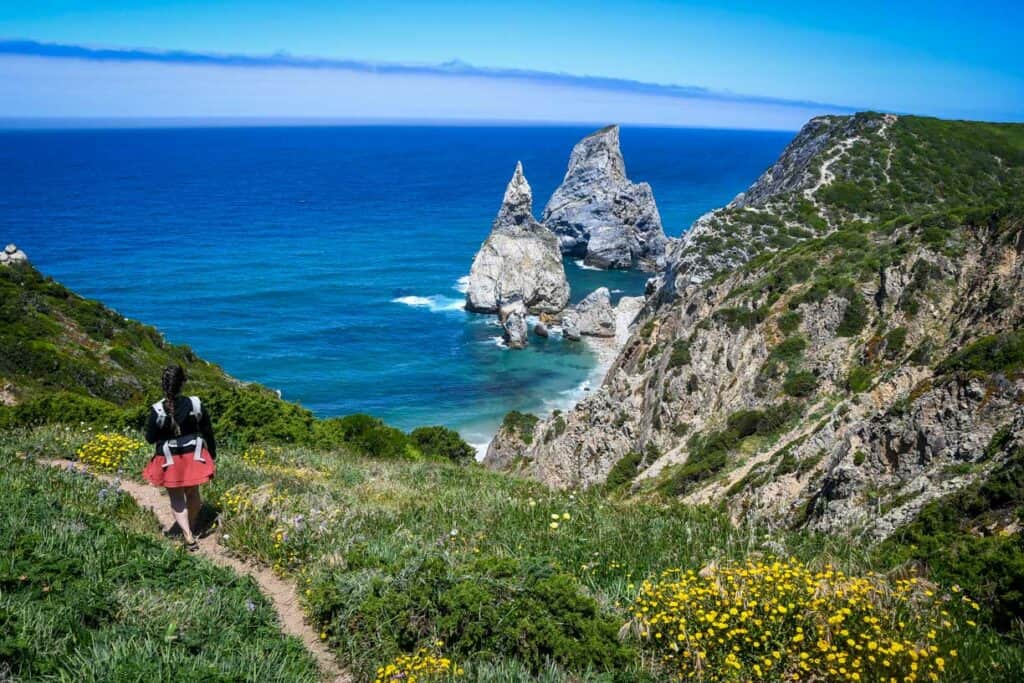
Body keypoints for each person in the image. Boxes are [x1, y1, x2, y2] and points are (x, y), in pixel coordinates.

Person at [142, 364, 217, 551]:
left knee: (177, 497)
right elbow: (208, 431)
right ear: (183, 382)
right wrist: (212, 454)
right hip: (194, 456)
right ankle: (191, 525)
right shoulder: (195, 404)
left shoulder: (157, 410)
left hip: (169, 459)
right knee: (192, 494)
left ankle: (187, 535)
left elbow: (150, 438)